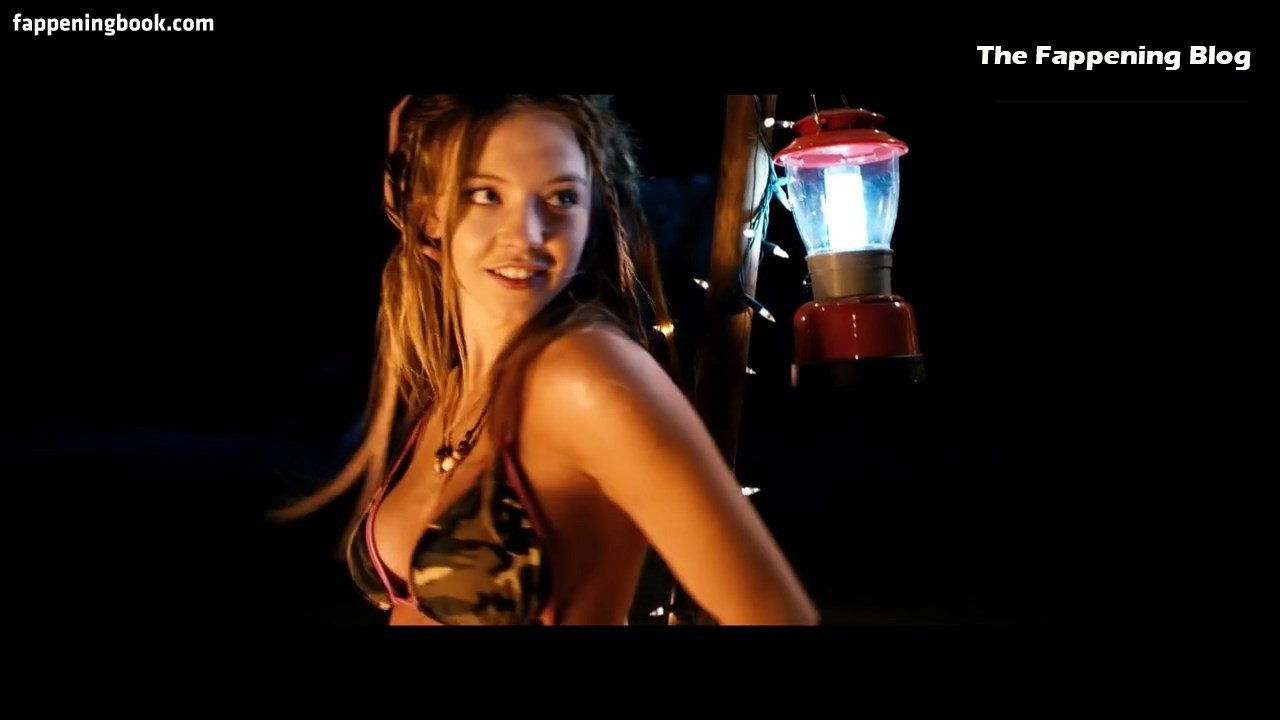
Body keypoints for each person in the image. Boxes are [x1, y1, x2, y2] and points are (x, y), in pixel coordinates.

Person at [270, 94, 818, 626]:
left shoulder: (587, 375)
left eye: (561, 198)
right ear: (426, 212)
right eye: (486, 194)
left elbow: (775, 612)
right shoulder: (456, 391)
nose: (526, 236)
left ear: (590, 213)